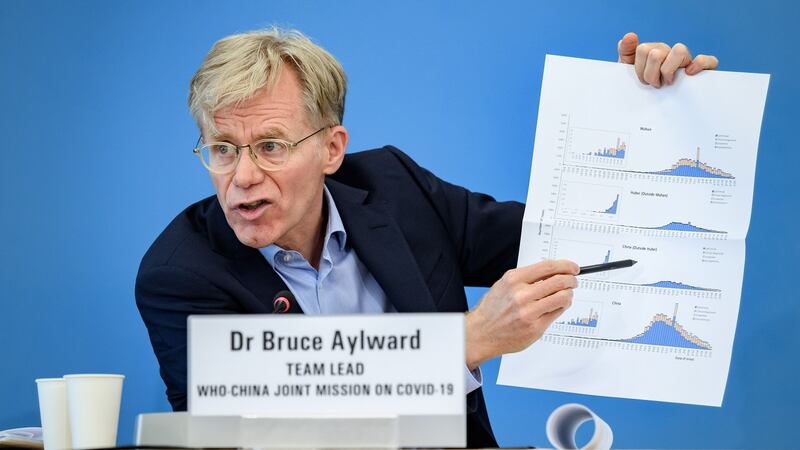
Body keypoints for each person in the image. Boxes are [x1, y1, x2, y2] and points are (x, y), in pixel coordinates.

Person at [135, 28, 718, 447]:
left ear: (331, 149)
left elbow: (564, 239)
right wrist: (461, 344)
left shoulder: (394, 188)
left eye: (270, 146)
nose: (241, 177)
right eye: (221, 148)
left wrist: (647, 117)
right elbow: (259, 424)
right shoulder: (180, 273)